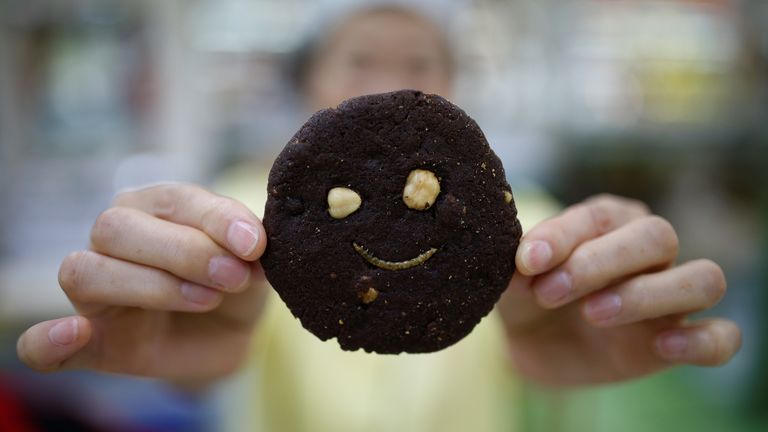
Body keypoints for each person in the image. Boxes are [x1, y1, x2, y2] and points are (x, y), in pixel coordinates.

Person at [16, 4, 741, 431]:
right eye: (359, 60)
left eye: (420, 59)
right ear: (310, 85)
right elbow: (198, 365)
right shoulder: (238, 221)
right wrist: (186, 365)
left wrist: (595, 310)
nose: (391, 84)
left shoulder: (533, 230)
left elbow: (573, 325)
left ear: (456, 87)